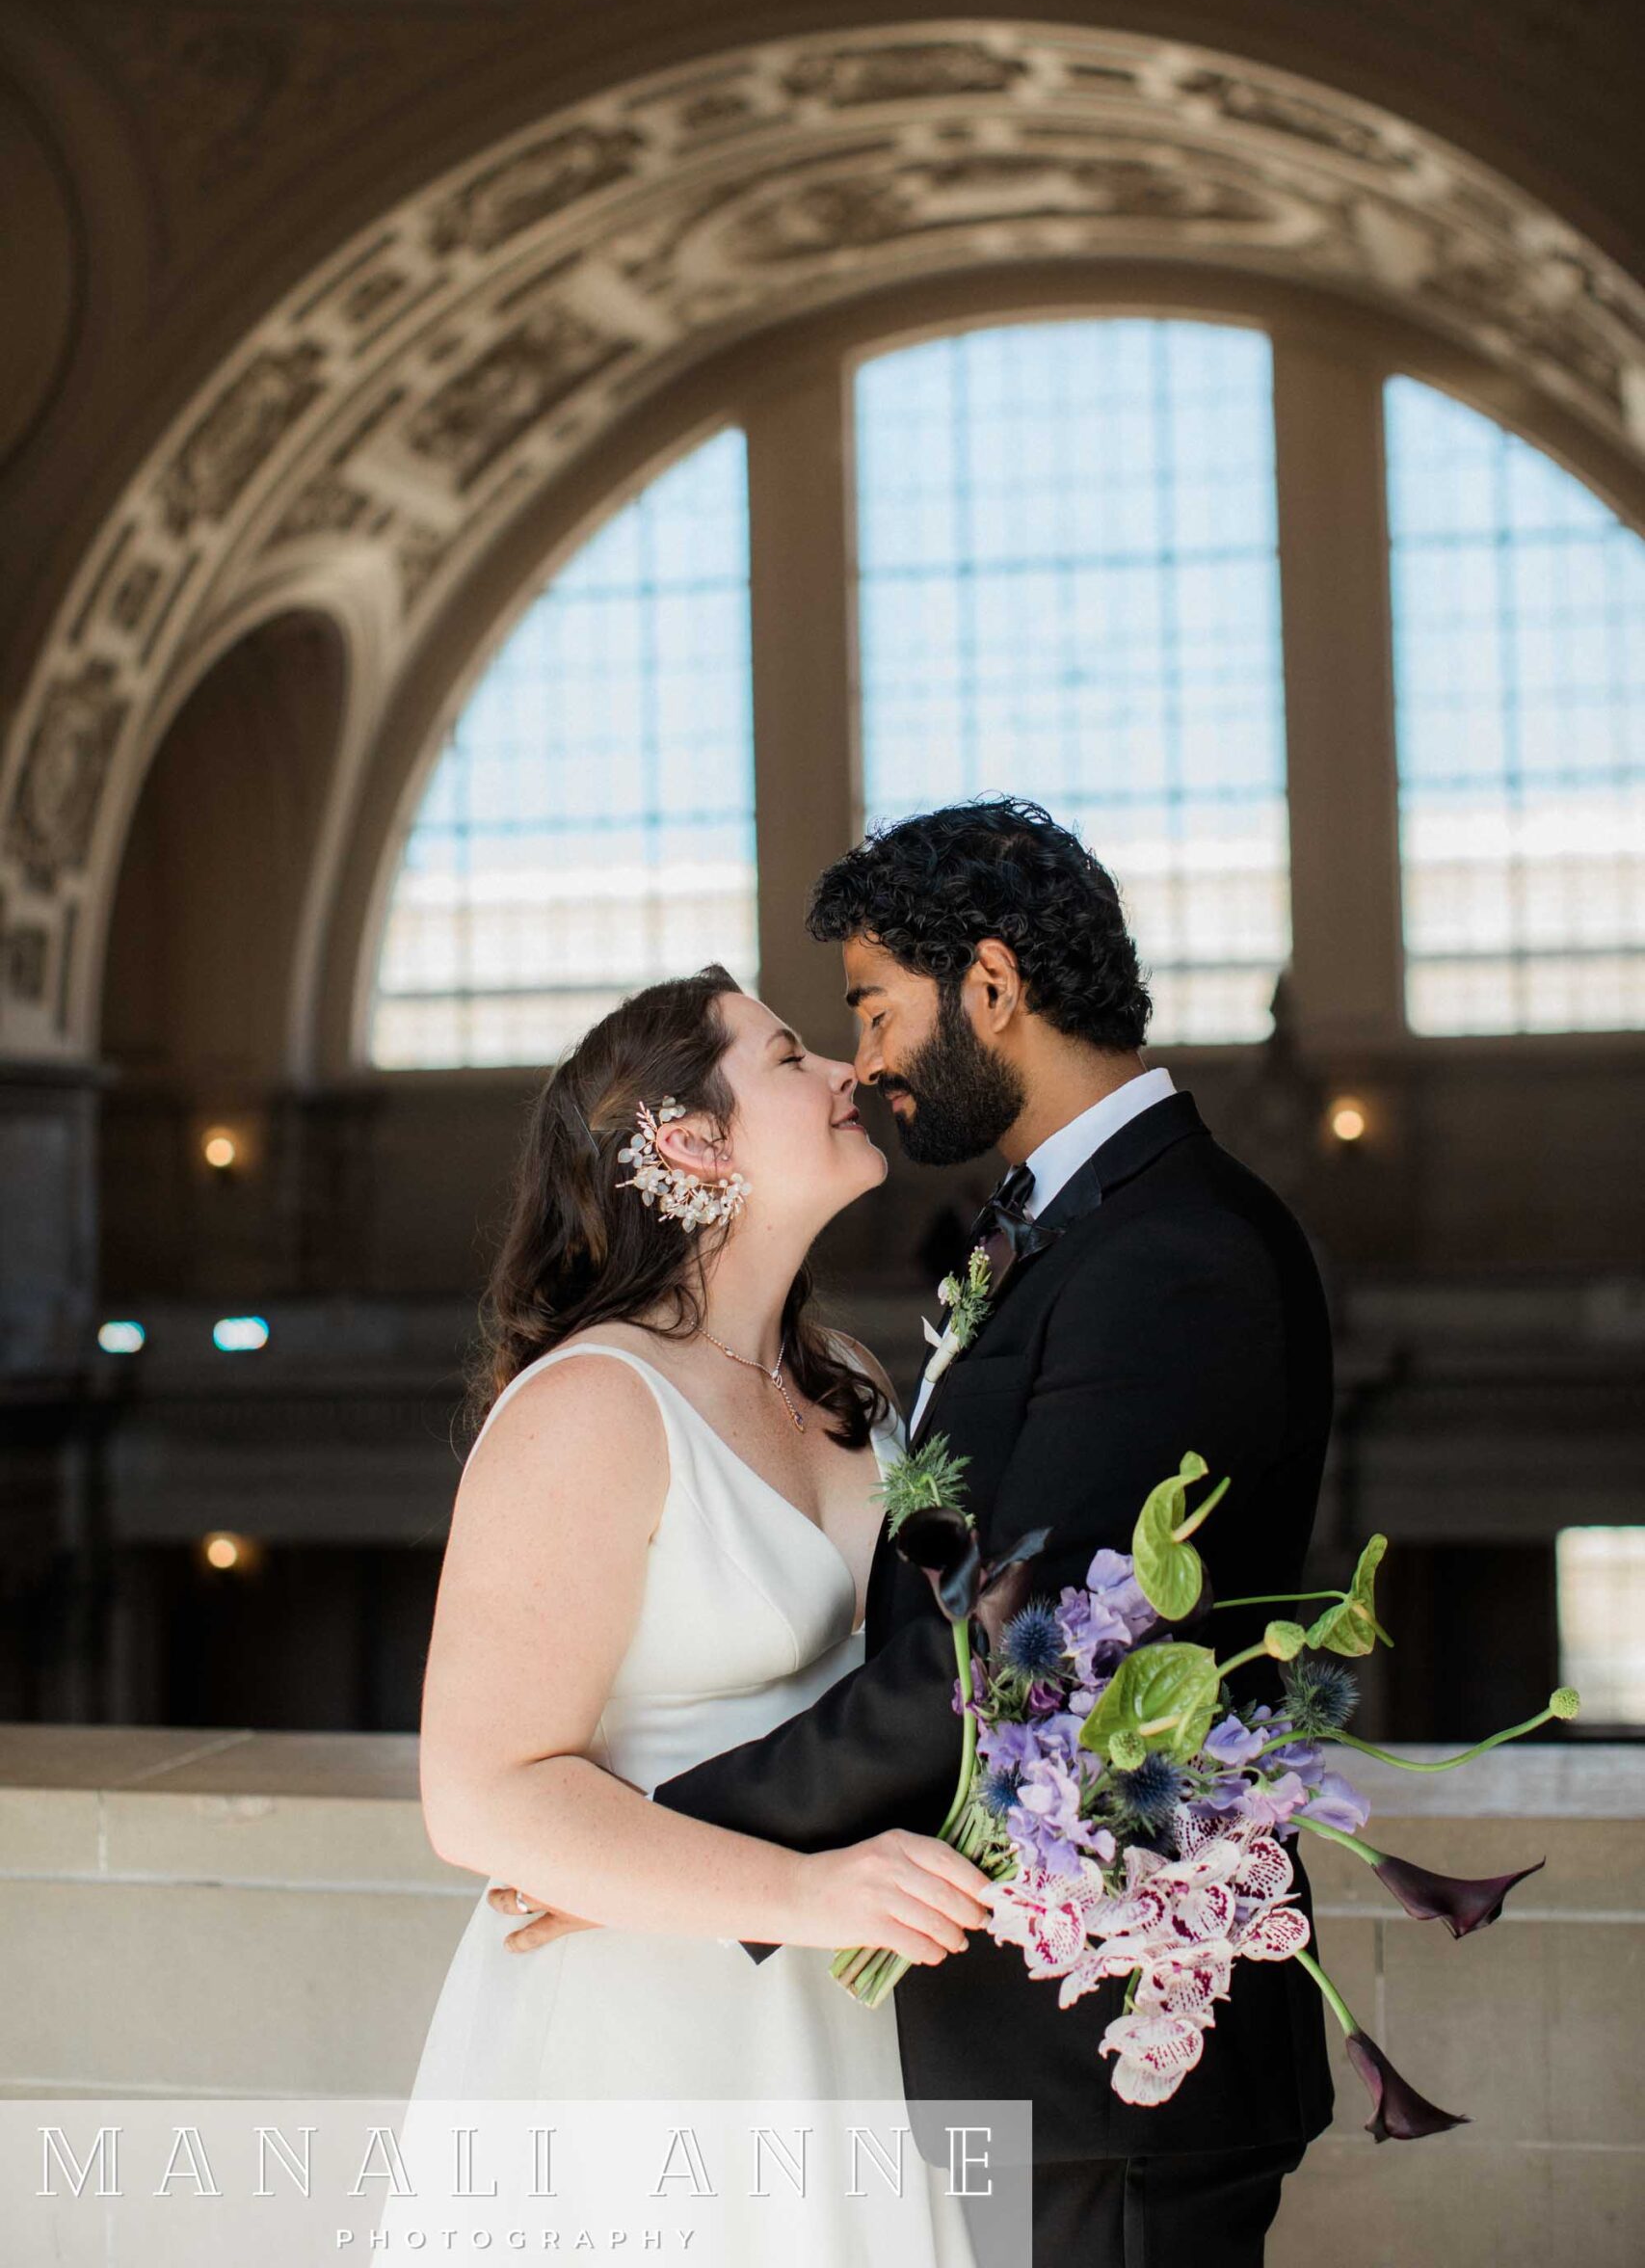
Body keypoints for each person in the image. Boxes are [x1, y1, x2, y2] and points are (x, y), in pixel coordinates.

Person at [499, 795, 1339, 2266]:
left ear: (995, 990)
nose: (867, 1063)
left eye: (877, 1010)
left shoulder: (1170, 1253)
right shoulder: (1069, 1232)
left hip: (1110, 2058)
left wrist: (654, 1846)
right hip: (1000, 2034)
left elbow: (1015, 1655)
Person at [393, 960, 989, 2262]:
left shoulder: (851, 1380)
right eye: (789, 1060)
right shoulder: (590, 1409)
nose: (845, 1072)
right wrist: (808, 1891)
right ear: (689, 1140)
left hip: (852, 1994)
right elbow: (481, 1796)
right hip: (650, 2030)